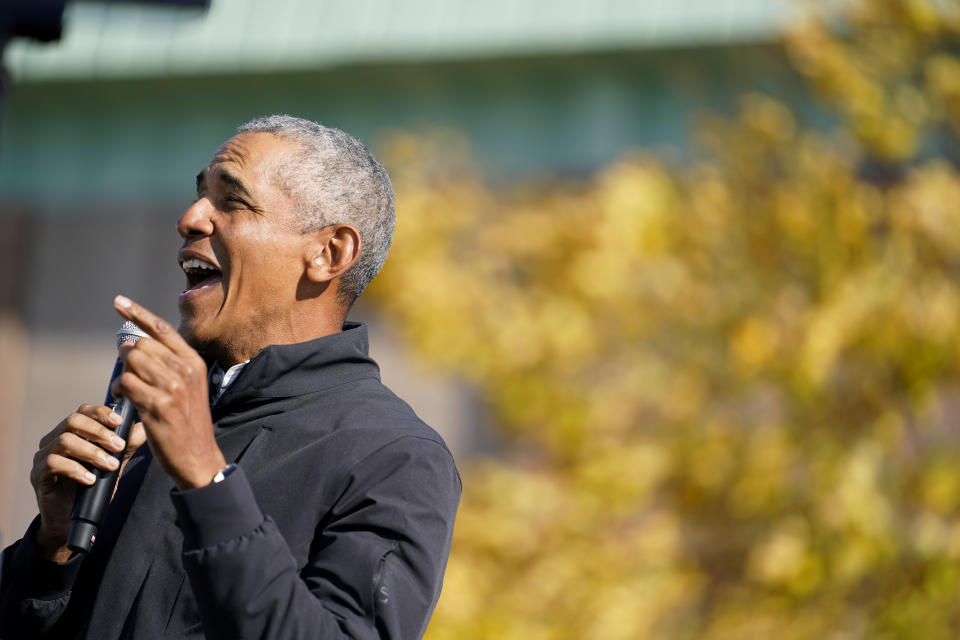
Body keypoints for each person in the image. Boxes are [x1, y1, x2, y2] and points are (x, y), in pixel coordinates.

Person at [0, 115, 461, 639]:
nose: (190, 218)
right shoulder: (150, 437)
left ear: (329, 253)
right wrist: (51, 550)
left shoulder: (395, 456)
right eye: (199, 196)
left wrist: (206, 480)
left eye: (232, 201)